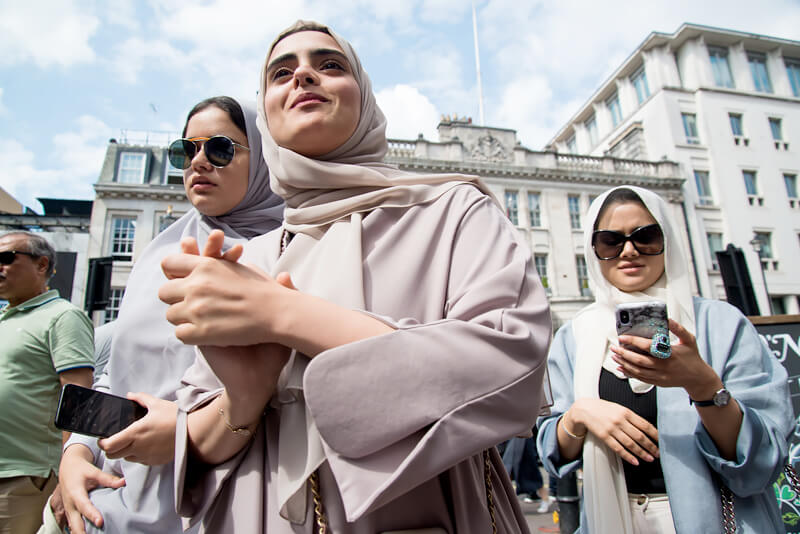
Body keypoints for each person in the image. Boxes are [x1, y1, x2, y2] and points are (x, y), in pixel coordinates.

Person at [158, 20, 551, 533]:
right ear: (266, 114)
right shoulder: (252, 258)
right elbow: (202, 440)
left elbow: (511, 361)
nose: (303, 77)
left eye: (329, 65)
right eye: (281, 73)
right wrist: (245, 397)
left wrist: (286, 315)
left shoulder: (453, 209)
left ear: (363, 97)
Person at [56, 96, 284, 534]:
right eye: (186, 150)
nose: (198, 162)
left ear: (264, 159)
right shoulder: (158, 254)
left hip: (234, 504)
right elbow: (115, 374)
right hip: (118, 504)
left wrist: (185, 433)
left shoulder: (292, 252)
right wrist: (77, 455)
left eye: (219, 148)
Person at [537, 185, 792, 533]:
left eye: (646, 236)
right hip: (612, 519)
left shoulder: (720, 324)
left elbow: (762, 463)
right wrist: (580, 415)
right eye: (610, 241)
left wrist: (703, 384)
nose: (628, 251)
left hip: (713, 520)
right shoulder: (575, 335)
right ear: (593, 251)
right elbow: (553, 452)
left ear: (667, 240)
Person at [0, 232, 94, 534]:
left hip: (24, 478)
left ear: (42, 265)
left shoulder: (63, 317)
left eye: (6, 258)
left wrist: (68, 475)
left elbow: (79, 398)